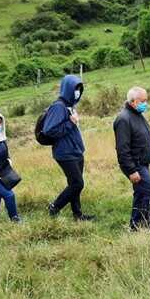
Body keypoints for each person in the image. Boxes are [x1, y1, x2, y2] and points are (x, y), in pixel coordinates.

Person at [43, 75, 95, 221]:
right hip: (65, 153)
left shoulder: (69, 106)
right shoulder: (58, 107)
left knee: (74, 184)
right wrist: (70, 123)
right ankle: (54, 207)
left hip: (76, 151)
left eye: (79, 89)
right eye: (75, 89)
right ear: (67, 89)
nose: (77, 92)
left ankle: (77, 215)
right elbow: (49, 130)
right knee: (78, 184)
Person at [113, 87, 150, 231]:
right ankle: (147, 224)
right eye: (143, 101)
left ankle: (134, 227)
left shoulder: (137, 115)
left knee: (141, 193)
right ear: (134, 101)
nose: (146, 104)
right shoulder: (123, 119)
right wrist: (131, 170)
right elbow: (122, 150)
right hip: (135, 164)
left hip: (143, 162)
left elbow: (145, 140)